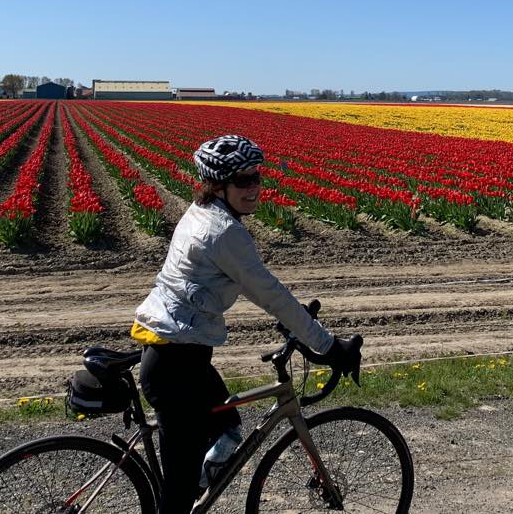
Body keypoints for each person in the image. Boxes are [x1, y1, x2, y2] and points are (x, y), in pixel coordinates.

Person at [132, 134, 361, 514]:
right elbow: (270, 294)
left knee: (227, 427)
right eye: (242, 180)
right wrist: (328, 346)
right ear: (217, 186)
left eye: (256, 177)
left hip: (180, 352)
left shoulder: (201, 212)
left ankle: (197, 490)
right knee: (175, 496)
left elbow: (265, 293)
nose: (253, 187)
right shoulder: (224, 233)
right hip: (177, 365)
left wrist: (298, 325)